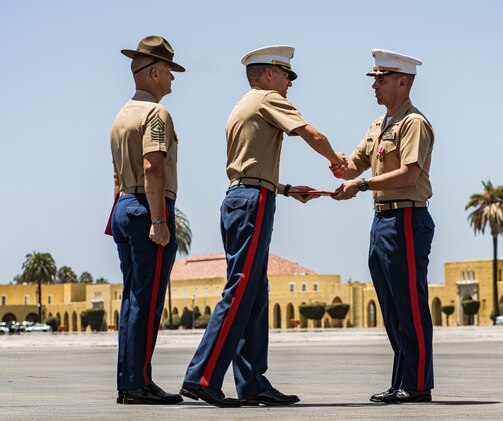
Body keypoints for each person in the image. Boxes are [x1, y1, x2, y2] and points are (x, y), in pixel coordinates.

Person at [181, 45, 345, 408]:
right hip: (252, 202)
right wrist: (337, 162)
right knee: (242, 289)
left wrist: (285, 189)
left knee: (254, 292)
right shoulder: (267, 99)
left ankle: (252, 382)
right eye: (287, 75)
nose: (290, 83)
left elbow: (249, 163)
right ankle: (202, 377)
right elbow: (310, 133)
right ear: (269, 73)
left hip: (246, 197)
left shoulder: (243, 105)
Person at [333, 49, 435, 403]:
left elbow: (409, 175)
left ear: (402, 82)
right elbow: (353, 165)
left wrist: (360, 185)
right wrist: (334, 162)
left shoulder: (413, 123)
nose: (374, 85)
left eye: (382, 79)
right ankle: (402, 380)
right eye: (374, 79)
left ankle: (418, 384)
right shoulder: (379, 126)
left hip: (407, 218)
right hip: (382, 220)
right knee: (392, 307)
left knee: (409, 304)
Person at [109, 35, 185, 405]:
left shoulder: (122, 115)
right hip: (147, 207)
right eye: (170, 71)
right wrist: (158, 221)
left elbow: (116, 174)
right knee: (148, 299)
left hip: (124, 205)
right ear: (155, 72)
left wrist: (120, 210)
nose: (173, 79)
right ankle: (138, 384)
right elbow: (153, 167)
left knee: (132, 299)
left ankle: (130, 381)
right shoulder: (156, 114)